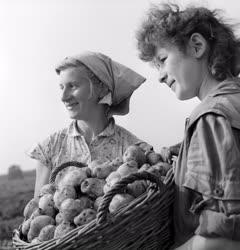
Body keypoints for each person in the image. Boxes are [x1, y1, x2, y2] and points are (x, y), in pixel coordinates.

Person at [136, 3, 240, 250]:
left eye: (162, 60)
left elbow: (224, 239)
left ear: (197, 46)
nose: (160, 76)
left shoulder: (210, 118)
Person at [28, 51, 152, 198]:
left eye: (72, 86)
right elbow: (36, 214)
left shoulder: (134, 150)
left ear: (101, 88)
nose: (63, 97)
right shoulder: (49, 148)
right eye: (61, 87)